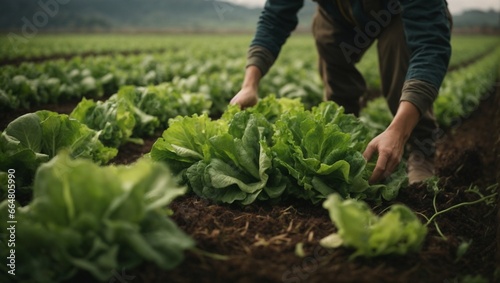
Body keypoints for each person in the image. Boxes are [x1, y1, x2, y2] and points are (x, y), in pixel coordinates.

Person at [230, 0, 452, 185]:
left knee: (400, 48)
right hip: (340, 14)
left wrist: (398, 131)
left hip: (397, 12)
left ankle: (419, 149)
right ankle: (345, 144)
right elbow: (275, 17)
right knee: (328, 38)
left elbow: (429, 45)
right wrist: (250, 84)